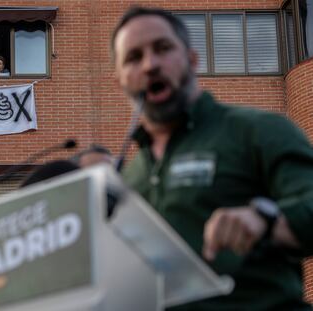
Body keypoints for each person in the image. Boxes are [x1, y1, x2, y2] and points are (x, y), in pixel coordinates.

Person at [112, 7, 313, 311]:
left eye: (163, 48)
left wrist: (265, 218)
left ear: (192, 59)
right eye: (134, 57)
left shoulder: (258, 130)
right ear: (120, 80)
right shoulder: (130, 177)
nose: (150, 64)